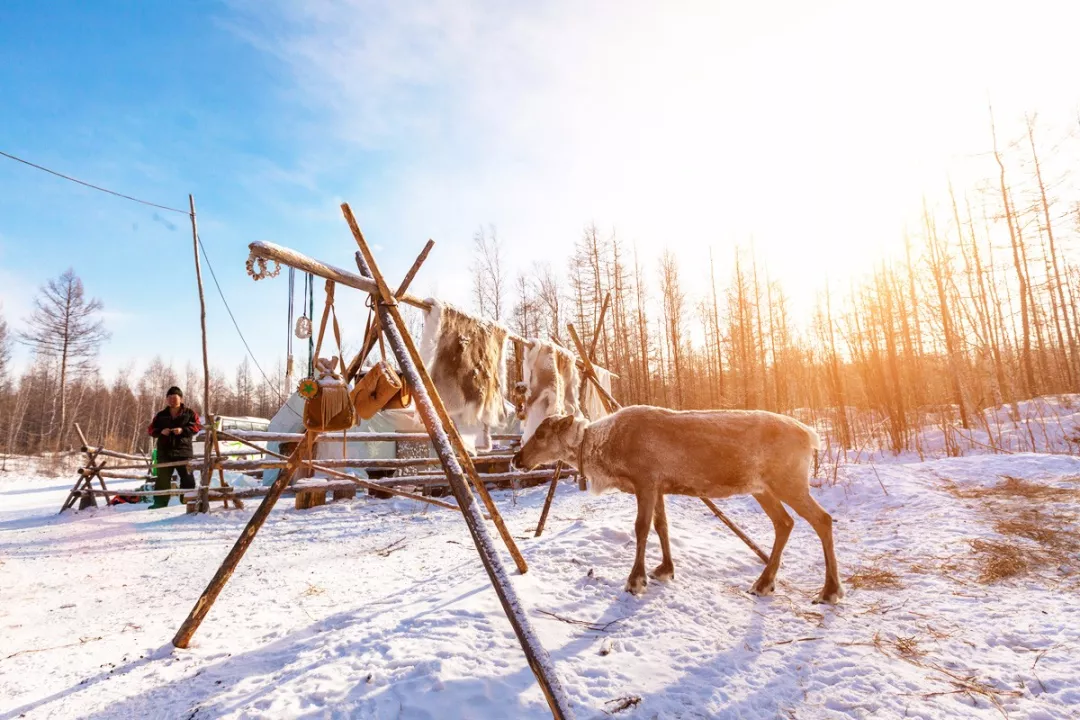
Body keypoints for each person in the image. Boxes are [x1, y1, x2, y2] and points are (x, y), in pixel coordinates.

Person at [147, 386, 202, 509]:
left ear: (181, 399)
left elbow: (197, 427)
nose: (172, 400)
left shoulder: (190, 413)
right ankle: (160, 503)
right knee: (162, 479)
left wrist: (182, 430)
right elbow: (150, 430)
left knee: (187, 478)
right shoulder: (161, 415)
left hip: (183, 451)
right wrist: (161, 431)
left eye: (175, 397)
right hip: (164, 451)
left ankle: (188, 502)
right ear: (167, 399)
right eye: (169, 397)